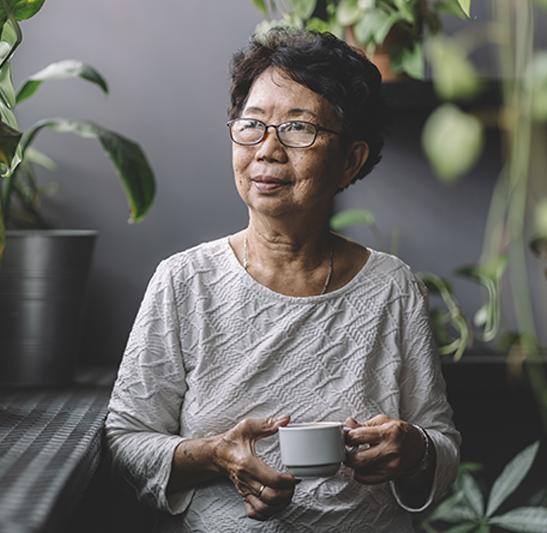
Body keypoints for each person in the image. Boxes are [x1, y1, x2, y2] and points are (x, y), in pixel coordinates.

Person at [105, 27, 460, 532]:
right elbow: (126, 440)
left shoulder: (391, 287)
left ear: (350, 160)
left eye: (298, 128)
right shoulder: (185, 282)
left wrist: (416, 449)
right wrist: (214, 455)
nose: (267, 149)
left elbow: (440, 445)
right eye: (252, 124)